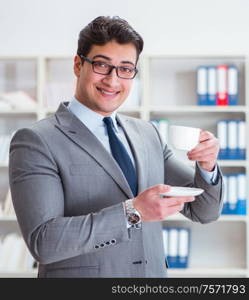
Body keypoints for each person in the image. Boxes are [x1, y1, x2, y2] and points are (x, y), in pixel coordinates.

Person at [9, 16, 223, 278]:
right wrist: (132, 212)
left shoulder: (148, 134)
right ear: (78, 64)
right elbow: (44, 242)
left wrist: (208, 165)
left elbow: (204, 211)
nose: (112, 81)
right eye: (101, 65)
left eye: (125, 68)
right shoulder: (36, 140)